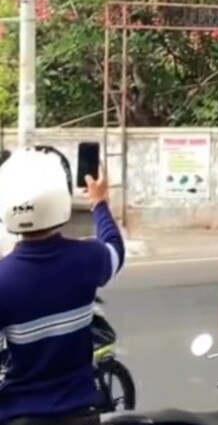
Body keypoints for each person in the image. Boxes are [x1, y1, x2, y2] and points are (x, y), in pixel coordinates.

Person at [0, 147, 125, 425]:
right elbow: (115, 249)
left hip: (20, 416)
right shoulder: (88, 258)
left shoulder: (3, 278)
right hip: (80, 413)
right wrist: (99, 203)